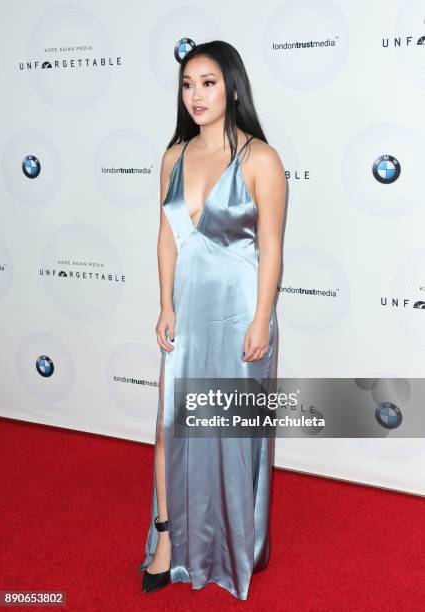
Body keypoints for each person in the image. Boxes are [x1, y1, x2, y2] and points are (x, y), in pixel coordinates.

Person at [138, 40, 286, 600]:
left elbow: (271, 247)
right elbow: (166, 238)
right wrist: (165, 305)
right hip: (188, 312)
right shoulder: (173, 156)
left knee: (228, 430)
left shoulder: (261, 159)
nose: (195, 95)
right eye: (186, 84)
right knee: (167, 425)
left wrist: (262, 318)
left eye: (207, 82)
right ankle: (168, 540)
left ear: (232, 87)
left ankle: (228, 544)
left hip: (239, 313)